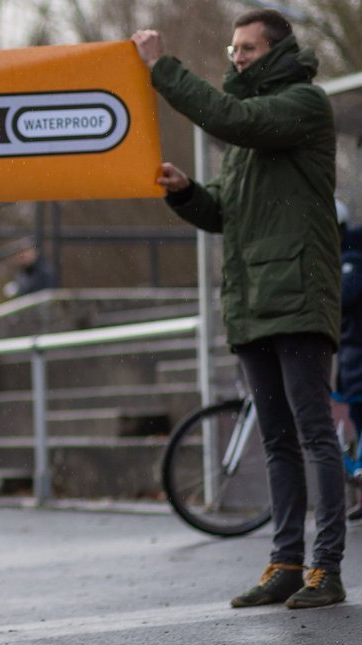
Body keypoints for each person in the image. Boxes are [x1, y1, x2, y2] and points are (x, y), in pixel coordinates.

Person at [133, 10, 345, 609]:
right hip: (252, 302)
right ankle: (285, 562)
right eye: (234, 47)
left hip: (299, 298)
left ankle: (325, 568)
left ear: (277, 51)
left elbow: (234, 119)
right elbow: (225, 211)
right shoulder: (251, 138)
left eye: (249, 47)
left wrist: (161, 69)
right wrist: (188, 193)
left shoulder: (302, 103)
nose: (237, 56)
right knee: (276, 439)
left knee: (312, 434)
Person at [337, 200, 362, 521]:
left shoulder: (351, 262)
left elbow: (344, 295)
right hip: (350, 355)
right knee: (357, 416)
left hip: (357, 355)